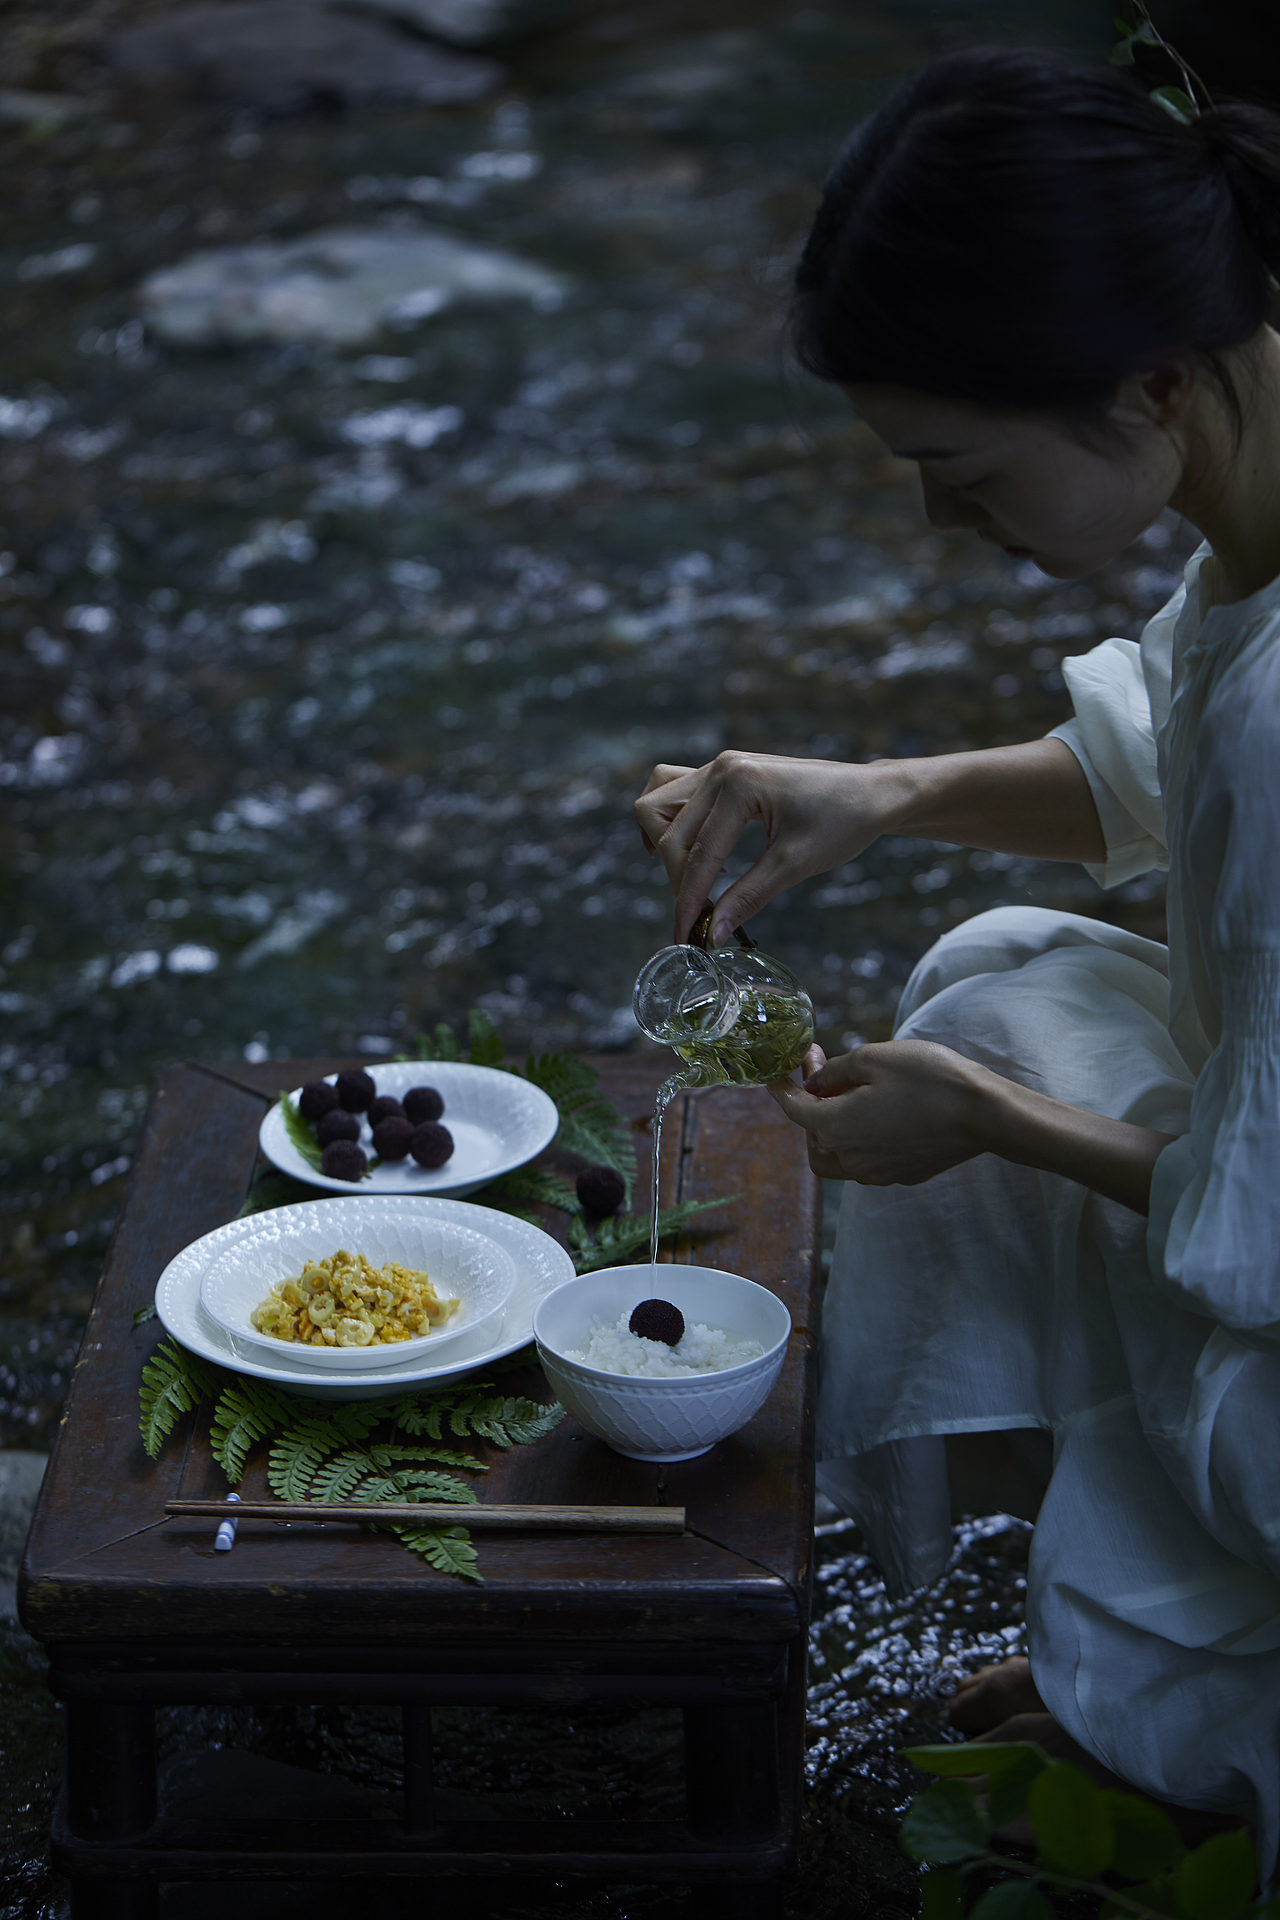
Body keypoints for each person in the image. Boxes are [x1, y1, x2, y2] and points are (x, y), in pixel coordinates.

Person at [634, 45, 1280, 1869]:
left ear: (1151, 385)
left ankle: (1206, 1701)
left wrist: (984, 1123)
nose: (938, 521)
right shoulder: (1256, 467)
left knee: (994, 1058)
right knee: (1006, 977)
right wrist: (887, 790)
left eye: (959, 468)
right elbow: (1158, 760)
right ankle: (1171, 1637)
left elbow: (1269, 1235)